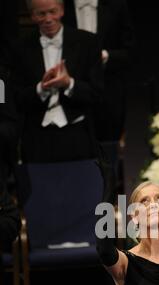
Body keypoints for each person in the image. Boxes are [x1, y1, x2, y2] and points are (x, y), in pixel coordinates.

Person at [12, 0, 104, 163]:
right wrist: (42, 88)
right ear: (32, 16)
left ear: (62, 10)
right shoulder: (20, 48)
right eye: (41, 14)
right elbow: (16, 98)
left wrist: (69, 83)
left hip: (78, 134)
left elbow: (97, 93)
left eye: (52, 12)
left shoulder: (87, 43)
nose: (48, 19)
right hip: (36, 137)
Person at [63, 0, 134, 141]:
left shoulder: (116, 5)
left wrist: (105, 56)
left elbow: (130, 53)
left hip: (109, 93)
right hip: (70, 99)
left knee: (108, 152)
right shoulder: (60, 6)